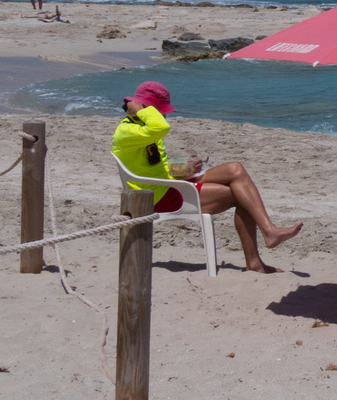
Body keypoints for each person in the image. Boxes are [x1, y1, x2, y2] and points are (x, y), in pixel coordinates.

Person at [111, 80, 303, 273]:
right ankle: (260, 251)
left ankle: (269, 232)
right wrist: (140, 109)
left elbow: (156, 166)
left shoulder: (143, 130)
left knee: (235, 169)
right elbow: (161, 127)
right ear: (143, 109)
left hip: (169, 184)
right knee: (242, 196)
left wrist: (184, 168)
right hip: (159, 197)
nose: (164, 115)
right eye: (160, 111)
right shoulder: (127, 131)